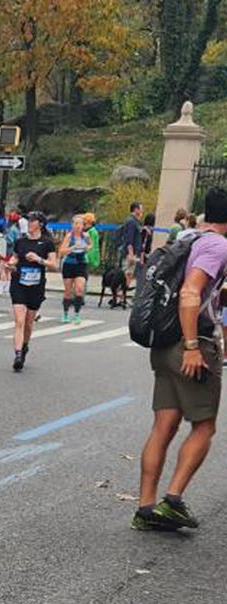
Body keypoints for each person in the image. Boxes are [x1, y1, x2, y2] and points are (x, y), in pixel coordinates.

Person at [133, 188, 227, 532]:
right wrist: (192, 346)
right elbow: (190, 291)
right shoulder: (218, 245)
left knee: (164, 426)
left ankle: (145, 507)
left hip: (163, 341)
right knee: (204, 426)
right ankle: (172, 501)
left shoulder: (189, 237)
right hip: (190, 343)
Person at [6, 211, 57, 371]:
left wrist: (38, 259)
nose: (29, 223)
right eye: (28, 220)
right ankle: (18, 354)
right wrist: (11, 263)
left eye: (32, 221)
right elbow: (14, 257)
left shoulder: (47, 243)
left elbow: (54, 264)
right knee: (19, 321)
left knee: (28, 323)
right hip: (19, 283)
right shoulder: (21, 241)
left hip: (36, 286)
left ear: (40, 224)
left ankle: (25, 345)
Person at [57, 214, 91, 325]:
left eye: (79, 224)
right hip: (69, 264)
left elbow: (91, 245)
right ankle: (65, 313)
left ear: (83, 226)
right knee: (68, 291)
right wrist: (72, 248)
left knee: (79, 289)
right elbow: (61, 251)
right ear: (72, 225)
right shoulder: (69, 236)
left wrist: (87, 248)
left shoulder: (85, 236)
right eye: (75, 223)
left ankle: (77, 314)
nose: (77, 226)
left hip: (81, 264)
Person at [120, 202, 145, 294]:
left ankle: (123, 296)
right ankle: (121, 295)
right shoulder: (131, 222)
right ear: (136, 209)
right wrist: (130, 254)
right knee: (127, 273)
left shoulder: (137, 222)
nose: (142, 211)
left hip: (135, 251)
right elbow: (129, 239)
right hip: (130, 253)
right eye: (140, 208)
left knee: (130, 274)